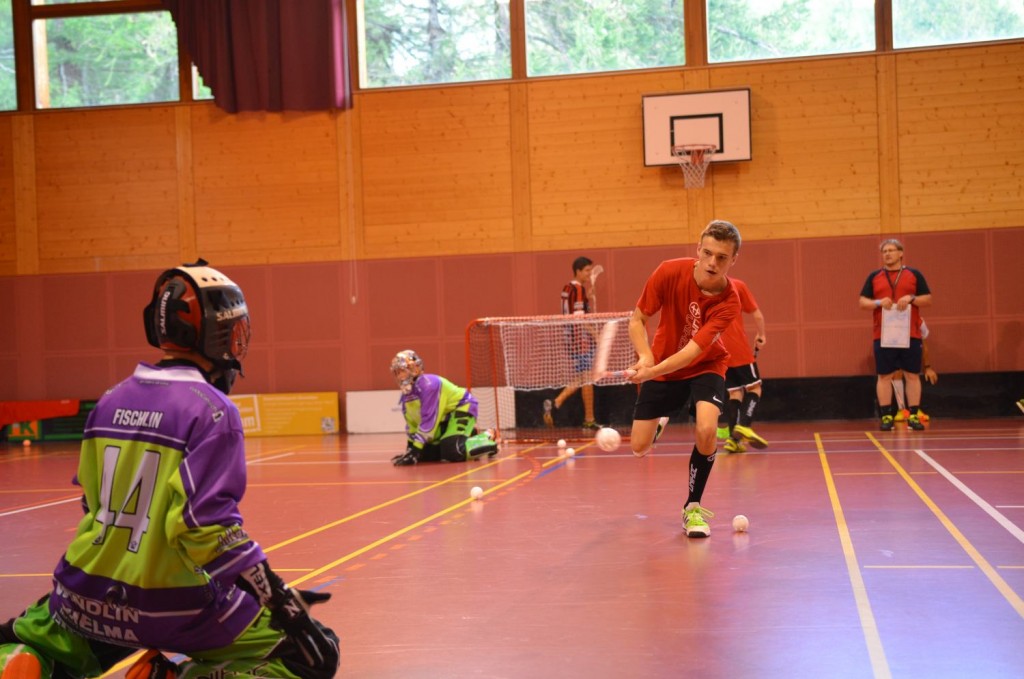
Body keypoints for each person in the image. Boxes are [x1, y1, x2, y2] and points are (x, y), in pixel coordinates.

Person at [0, 261, 339, 679]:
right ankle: (174, 675)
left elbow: (91, 500)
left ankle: (31, 657)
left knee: (30, 636)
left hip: (87, 593)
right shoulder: (214, 411)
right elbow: (209, 532)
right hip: (177, 607)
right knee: (313, 657)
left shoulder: (109, 399)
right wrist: (279, 600)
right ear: (216, 335)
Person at [626, 220, 743, 538]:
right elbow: (638, 319)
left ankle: (692, 507)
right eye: (707, 253)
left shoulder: (730, 301)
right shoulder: (668, 271)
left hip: (706, 365)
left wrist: (651, 371)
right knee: (638, 448)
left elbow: (693, 352)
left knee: (707, 429)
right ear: (698, 249)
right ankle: (661, 420)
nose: (712, 263)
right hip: (662, 364)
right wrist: (646, 356)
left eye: (722, 257)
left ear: (733, 260)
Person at [859, 238, 932, 432]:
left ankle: (914, 415)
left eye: (891, 250)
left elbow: (928, 299)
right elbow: (862, 302)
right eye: (884, 251)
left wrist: (912, 298)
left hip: (910, 333)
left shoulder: (914, 274)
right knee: (884, 376)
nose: (887, 254)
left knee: (912, 375)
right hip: (884, 335)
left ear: (901, 253)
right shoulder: (874, 276)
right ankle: (886, 415)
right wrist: (877, 303)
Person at [390, 350, 500, 466]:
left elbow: (429, 419)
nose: (400, 375)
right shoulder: (406, 395)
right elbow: (412, 423)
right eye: (397, 372)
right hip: (445, 416)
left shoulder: (429, 385)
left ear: (415, 369)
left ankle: (488, 438)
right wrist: (411, 450)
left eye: (402, 370)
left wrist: (416, 450)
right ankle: (469, 434)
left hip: (462, 407)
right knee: (426, 455)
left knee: (452, 451)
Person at [543, 256, 601, 430]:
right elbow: (579, 317)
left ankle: (556, 403)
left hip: (569, 339)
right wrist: (595, 334)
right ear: (578, 271)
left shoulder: (567, 288)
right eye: (587, 271)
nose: (589, 274)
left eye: (591, 270)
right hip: (580, 339)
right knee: (587, 379)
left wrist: (587, 298)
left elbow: (572, 307)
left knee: (583, 376)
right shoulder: (579, 289)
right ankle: (589, 419)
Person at [717, 277, 768, 453]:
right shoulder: (737, 285)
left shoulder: (705, 288)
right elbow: (757, 314)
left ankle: (733, 440)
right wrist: (761, 336)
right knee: (755, 388)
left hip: (720, 352)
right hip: (739, 348)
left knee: (735, 393)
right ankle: (745, 425)